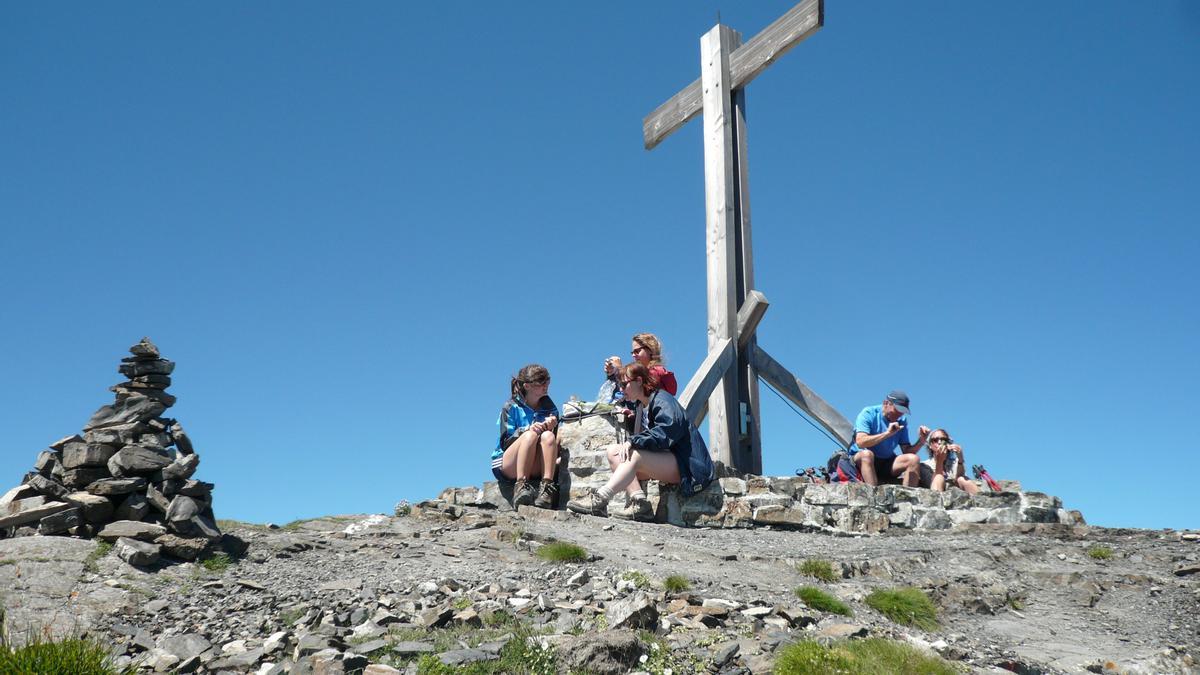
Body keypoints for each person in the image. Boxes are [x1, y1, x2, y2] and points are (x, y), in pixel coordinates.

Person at [566, 362, 714, 520]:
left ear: (639, 381)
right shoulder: (641, 406)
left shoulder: (662, 399)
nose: (621, 389)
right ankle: (640, 504)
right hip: (673, 462)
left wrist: (633, 440)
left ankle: (600, 499)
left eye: (624, 384)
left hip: (691, 467)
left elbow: (668, 431)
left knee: (633, 455)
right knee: (614, 452)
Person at [492, 364, 561, 509]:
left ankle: (546, 488)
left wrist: (552, 427)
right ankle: (521, 485)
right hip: (509, 464)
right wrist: (525, 430)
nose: (545, 387)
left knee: (548, 436)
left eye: (547, 383)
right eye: (540, 384)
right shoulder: (510, 407)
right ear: (527, 386)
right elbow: (505, 442)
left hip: (535, 463)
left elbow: (553, 444)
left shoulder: (550, 408)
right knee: (530, 435)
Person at [847, 390, 929, 487]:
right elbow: (860, 442)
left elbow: (907, 451)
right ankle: (873, 496)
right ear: (886, 403)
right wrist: (887, 434)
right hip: (862, 461)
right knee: (867, 455)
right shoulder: (868, 413)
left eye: (902, 412)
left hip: (886, 462)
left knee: (913, 459)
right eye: (897, 410)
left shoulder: (901, 420)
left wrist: (921, 440)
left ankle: (907, 498)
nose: (899, 414)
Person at [610, 333, 678, 396]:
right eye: (632, 352)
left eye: (637, 351)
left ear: (650, 350)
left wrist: (619, 369)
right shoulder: (649, 372)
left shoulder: (656, 371)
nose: (633, 355)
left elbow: (636, 391)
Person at [919, 428, 979, 495]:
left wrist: (960, 459)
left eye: (943, 440)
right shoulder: (924, 465)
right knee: (939, 477)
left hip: (955, 492)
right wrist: (940, 461)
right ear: (930, 445)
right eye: (935, 440)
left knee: (963, 479)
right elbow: (933, 483)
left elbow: (960, 477)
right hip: (937, 493)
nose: (939, 442)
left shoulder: (954, 462)